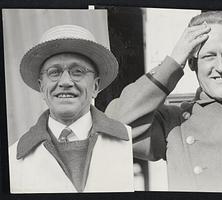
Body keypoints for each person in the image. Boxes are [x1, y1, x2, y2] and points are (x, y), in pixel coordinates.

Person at [106, 11, 222, 192]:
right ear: (191, 63)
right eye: (209, 56)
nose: (221, 67)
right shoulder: (174, 122)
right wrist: (172, 62)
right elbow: (113, 128)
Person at [9, 25, 134, 193]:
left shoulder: (129, 142)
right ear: (41, 88)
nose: (65, 82)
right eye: (54, 72)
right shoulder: (13, 159)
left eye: (77, 72)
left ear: (95, 86)